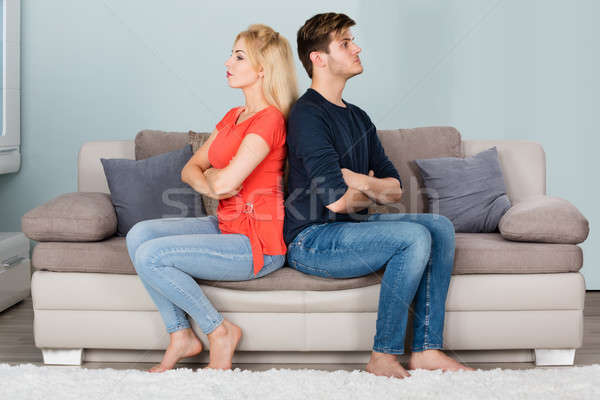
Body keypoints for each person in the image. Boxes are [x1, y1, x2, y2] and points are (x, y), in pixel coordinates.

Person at [284, 12, 475, 379]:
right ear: (318, 58)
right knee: (413, 236)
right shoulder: (307, 115)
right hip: (311, 239)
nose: (357, 48)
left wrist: (360, 181)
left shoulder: (358, 117)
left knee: (439, 227)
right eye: (345, 43)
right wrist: (372, 190)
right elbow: (337, 203)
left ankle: (426, 350)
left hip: (350, 228)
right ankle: (382, 355)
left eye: (353, 40)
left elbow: (395, 187)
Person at [126, 24, 297, 373]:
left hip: (256, 244)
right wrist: (212, 182)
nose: (227, 63)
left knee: (152, 255)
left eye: (238, 56)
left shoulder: (269, 121)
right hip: (224, 223)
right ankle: (181, 337)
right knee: (138, 234)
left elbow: (222, 182)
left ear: (262, 68)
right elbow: (191, 169)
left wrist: (214, 180)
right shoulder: (233, 117)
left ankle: (219, 330)